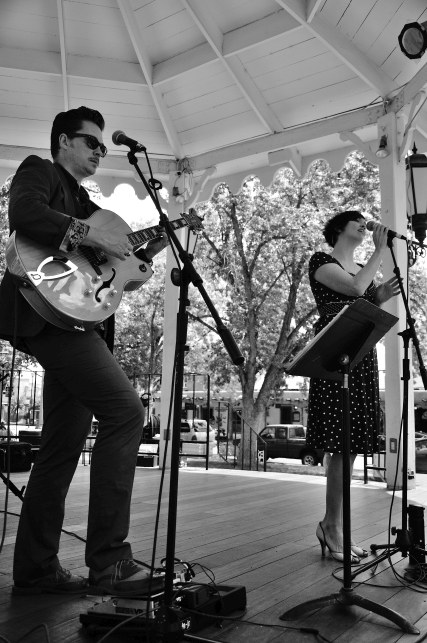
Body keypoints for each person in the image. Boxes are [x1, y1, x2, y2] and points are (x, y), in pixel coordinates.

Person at [0, 106, 169, 595]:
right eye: (91, 142)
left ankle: (35, 570)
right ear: (63, 142)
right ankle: (111, 562)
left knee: (60, 447)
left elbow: (103, 275)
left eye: (103, 146)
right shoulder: (41, 170)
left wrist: (138, 257)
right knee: (126, 413)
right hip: (48, 316)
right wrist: (93, 234)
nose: (99, 151)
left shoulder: (87, 200)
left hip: (75, 319)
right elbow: (25, 214)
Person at [305, 211, 399, 564]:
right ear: (338, 229)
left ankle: (333, 525)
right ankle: (332, 528)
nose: (364, 224)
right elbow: (356, 289)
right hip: (335, 353)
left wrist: (381, 296)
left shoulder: (361, 266)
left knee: (352, 443)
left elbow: (366, 301)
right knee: (339, 442)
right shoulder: (321, 260)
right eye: (356, 221)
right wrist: (379, 250)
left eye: (366, 221)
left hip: (360, 353)